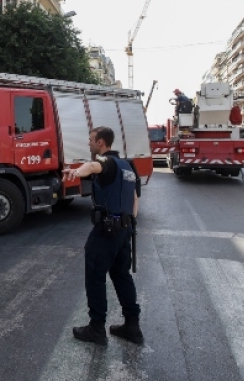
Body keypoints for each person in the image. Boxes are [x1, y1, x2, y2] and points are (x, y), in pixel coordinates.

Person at [62, 126, 142, 346]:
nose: (88, 143)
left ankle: (96, 328)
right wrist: (128, 226)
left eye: (90, 140)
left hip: (106, 231)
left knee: (95, 277)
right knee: (122, 276)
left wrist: (77, 172)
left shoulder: (107, 163)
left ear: (101, 143)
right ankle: (132, 326)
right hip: (124, 231)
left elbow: (93, 165)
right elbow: (134, 198)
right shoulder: (127, 167)